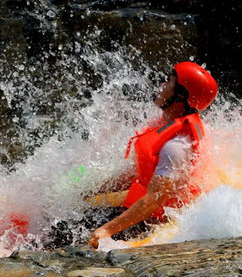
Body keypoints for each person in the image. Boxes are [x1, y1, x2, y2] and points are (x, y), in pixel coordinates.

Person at [87, 61, 218, 249]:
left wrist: (106, 231)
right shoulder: (167, 125)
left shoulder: (176, 146)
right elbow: (140, 175)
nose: (162, 86)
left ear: (180, 96)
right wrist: (92, 190)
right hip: (142, 216)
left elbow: (153, 200)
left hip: (150, 225)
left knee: (65, 232)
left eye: (169, 83)